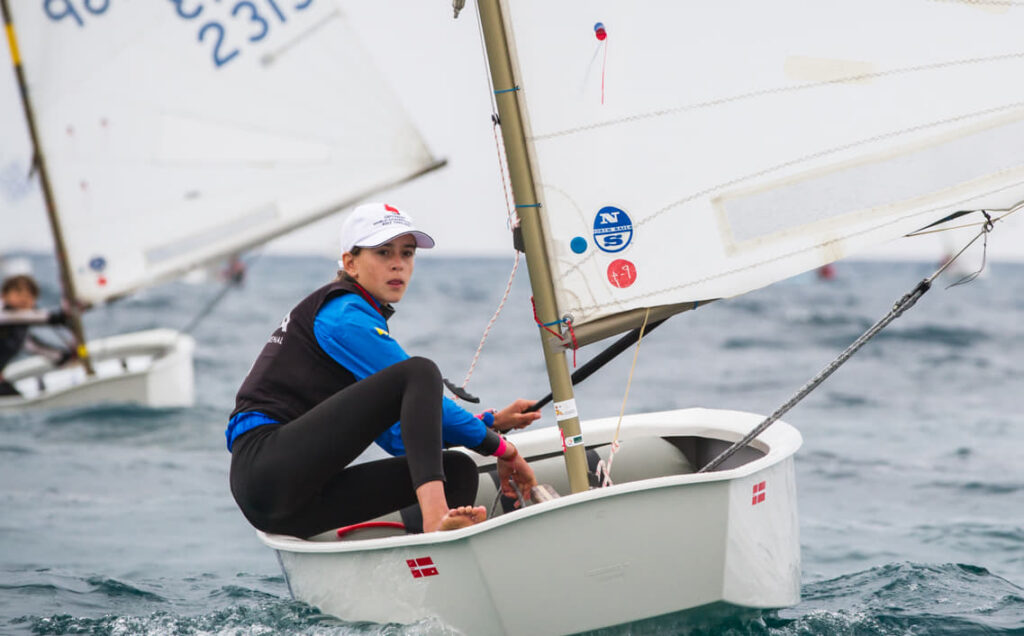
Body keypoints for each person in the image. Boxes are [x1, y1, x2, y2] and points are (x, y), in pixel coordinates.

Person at [227, 202, 542, 538]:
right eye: (383, 252)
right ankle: (436, 521)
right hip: (266, 471)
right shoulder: (343, 315)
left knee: (459, 470)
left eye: (407, 254)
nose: (398, 264)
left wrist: (490, 424)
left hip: (300, 501)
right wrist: (503, 449)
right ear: (350, 262)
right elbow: (418, 385)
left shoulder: (358, 317)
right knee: (419, 372)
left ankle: (438, 556)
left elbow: (401, 438)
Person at [0, 274, 74, 396]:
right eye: (18, 293)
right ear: (3, 295)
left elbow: (33, 346)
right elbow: (43, 317)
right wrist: (63, 316)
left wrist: (63, 358)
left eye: (30, 295)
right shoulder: (5, 314)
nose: (24, 298)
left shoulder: (19, 327)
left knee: (15, 397)